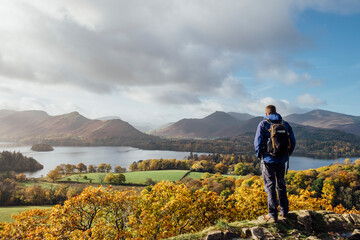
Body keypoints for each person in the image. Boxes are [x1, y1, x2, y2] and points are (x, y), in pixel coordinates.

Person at [254, 105, 296, 222]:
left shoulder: (263, 124)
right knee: (281, 185)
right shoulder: (285, 124)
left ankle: (273, 214)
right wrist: (286, 155)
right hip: (282, 160)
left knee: (270, 186)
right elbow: (292, 141)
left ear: (266, 113)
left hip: (268, 160)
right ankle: (284, 211)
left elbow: (258, 142)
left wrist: (260, 156)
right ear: (276, 111)